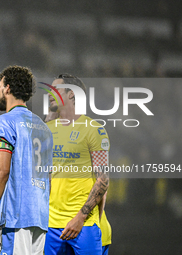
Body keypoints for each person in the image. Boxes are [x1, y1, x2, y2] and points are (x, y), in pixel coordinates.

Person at [0, 65, 53, 254]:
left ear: (7, 88)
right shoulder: (44, 127)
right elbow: (49, 176)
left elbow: (2, 170)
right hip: (40, 218)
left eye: (0, 86)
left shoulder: (6, 121)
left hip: (16, 216)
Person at [43, 74, 111, 255]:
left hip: (83, 225)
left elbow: (103, 180)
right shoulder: (49, 129)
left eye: (55, 90)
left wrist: (80, 218)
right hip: (51, 225)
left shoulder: (93, 129)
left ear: (71, 94)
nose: (50, 93)